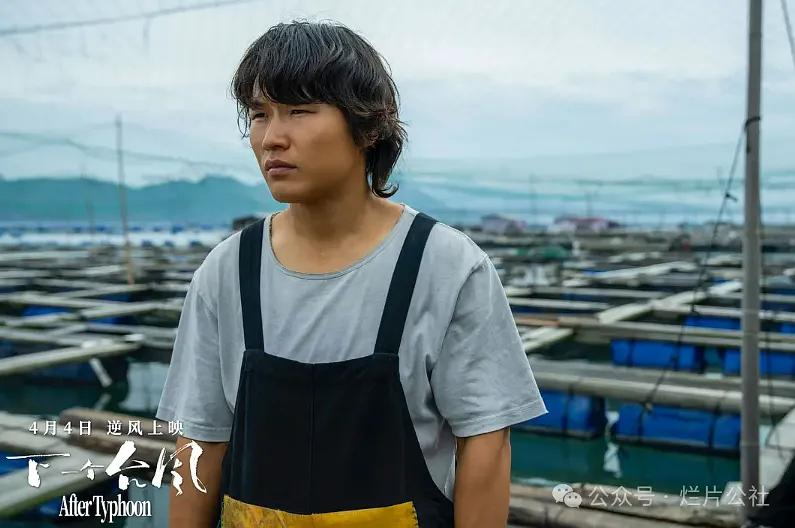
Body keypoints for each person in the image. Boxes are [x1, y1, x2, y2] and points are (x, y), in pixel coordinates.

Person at [156, 19, 547, 528]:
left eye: (299, 111)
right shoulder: (225, 272)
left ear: (368, 125)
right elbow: (200, 443)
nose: (272, 138)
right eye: (259, 115)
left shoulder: (446, 266)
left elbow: (486, 442)